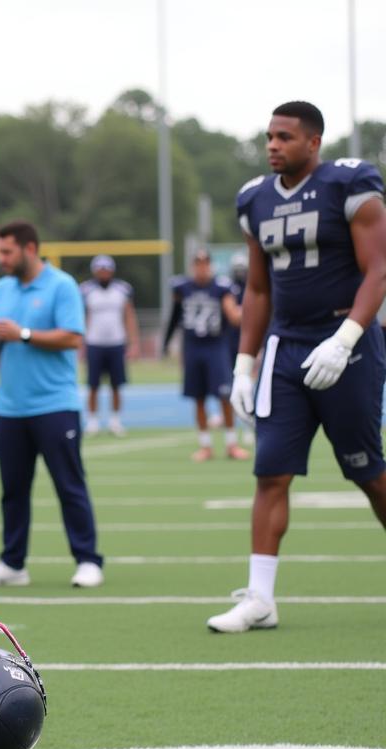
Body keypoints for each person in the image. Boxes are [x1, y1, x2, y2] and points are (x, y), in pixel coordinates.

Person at [208, 100, 386, 633]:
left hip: (345, 346)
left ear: (314, 142)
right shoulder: (254, 199)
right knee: (271, 472)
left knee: (367, 471)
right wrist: (244, 363)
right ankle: (260, 598)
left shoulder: (348, 184)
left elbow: (378, 270)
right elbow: (257, 288)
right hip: (285, 351)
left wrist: (346, 337)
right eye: (268, 136)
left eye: (284, 137)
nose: (272, 146)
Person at [0, 220, 104, 589]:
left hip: (55, 405)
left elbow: (72, 338)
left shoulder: (61, 285)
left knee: (69, 484)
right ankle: (13, 563)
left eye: (6, 252)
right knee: (13, 490)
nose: (0, 259)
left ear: (29, 249)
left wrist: (24, 334)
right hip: (11, 407)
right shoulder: (0, 289)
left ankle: (88, 559)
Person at [163, 250, 248, 461]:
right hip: (192, 347)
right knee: (198, 398)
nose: (202, 268)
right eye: (198, 264)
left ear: (210, 265)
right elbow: (175, 316)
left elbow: (234, 317)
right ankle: (205, 446)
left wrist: (252, 309)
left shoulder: (221, 288)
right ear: (193, 266)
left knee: (224, 396)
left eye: (205, 263)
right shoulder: (182, 287)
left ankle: (231, 444)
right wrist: (166, 342)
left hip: (215, 347)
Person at [80, 254, 140, 437]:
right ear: (94, 270)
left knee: (116, 385)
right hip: (94, 343)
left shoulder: (122, 289)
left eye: (106, 269)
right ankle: (92, 421)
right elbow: (83, 317)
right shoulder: (86, 290)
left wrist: (133, 342)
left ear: (112, 270)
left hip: (116, 343)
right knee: (93, 385)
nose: (103, 272)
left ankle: (115, 421)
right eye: (100, 269)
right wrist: (81, 343)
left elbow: (129, 316)